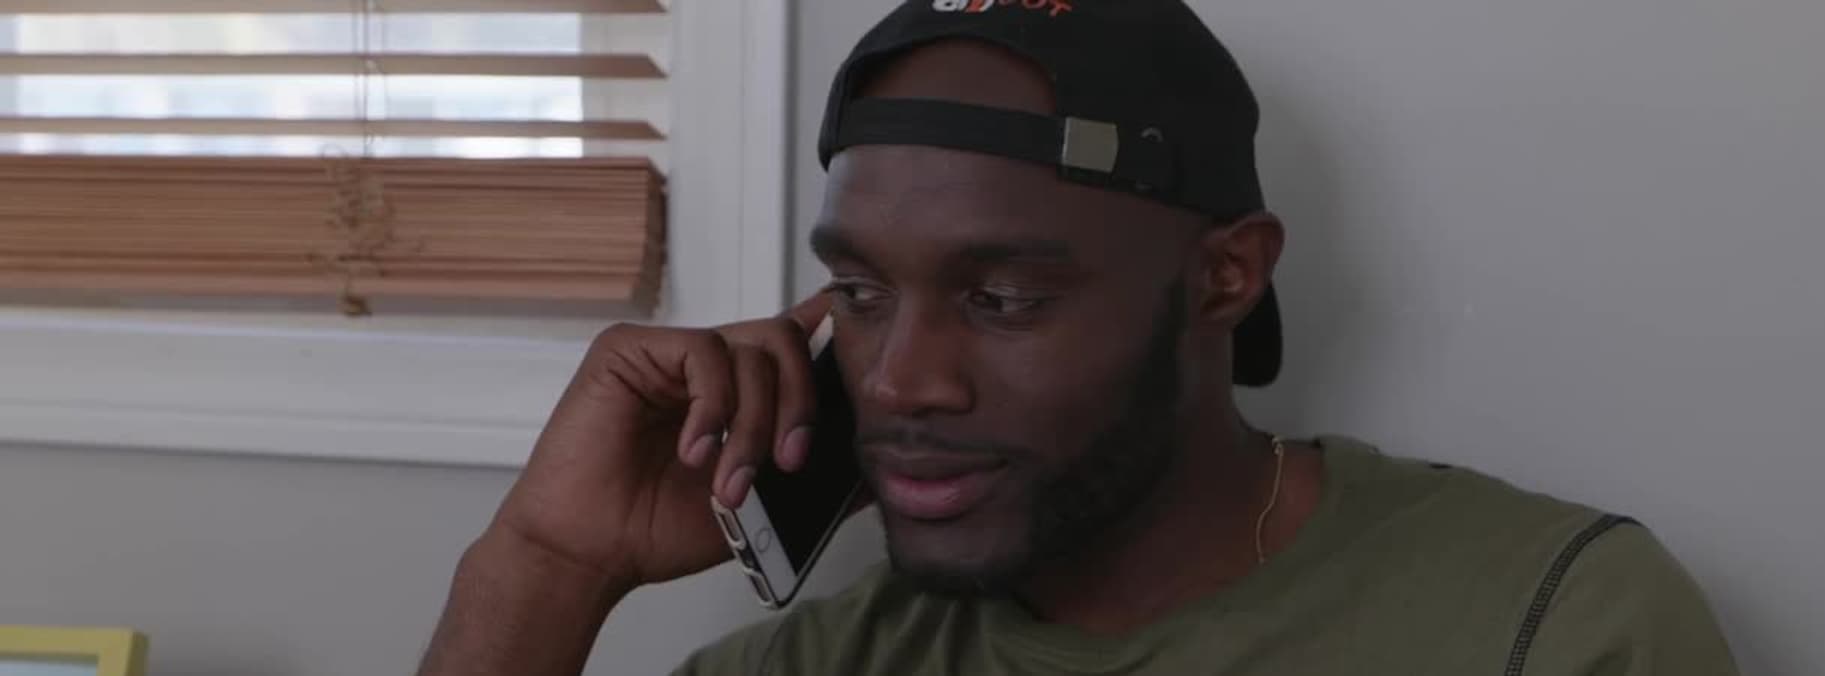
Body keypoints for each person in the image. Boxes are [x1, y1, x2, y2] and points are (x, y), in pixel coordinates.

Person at [418, 1, 1740, 674]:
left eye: (1003, 297)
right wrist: (547, 565)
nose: (901, 380)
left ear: (1225, 276)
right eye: (861, 293)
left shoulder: (1550, 626)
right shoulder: (821, 662)